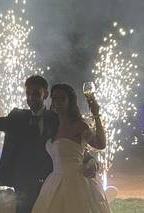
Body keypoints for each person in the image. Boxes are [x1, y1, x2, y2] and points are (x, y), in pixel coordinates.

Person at [0, 76, 99, 213]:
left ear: (46, 94)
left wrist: (92, 161)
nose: (31, 97)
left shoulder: (56, 119)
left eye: (36, 93)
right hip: (21, 187)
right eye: (28, 93)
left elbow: (70, 146)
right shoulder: (16, 117)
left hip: (50, 185)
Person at [32, 83, 111, 213]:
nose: (57, 101)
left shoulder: (79, 126)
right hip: (53, 182)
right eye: (54, 98)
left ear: (70, 101)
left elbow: (100, 144)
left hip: (76, 183)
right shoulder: (52, 126)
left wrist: (96, 115)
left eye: (62, 98)